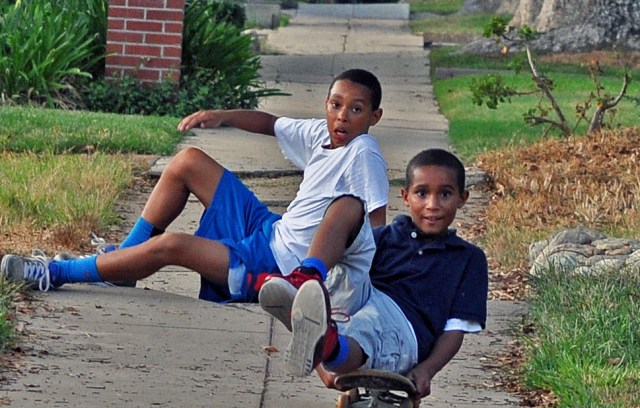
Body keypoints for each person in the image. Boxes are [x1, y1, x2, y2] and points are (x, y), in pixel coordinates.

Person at [0, 69, 389, 307]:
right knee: (188, 162)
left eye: (356, 109)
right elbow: (270, 123)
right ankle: (124, 262)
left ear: (375, 116)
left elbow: (375, 226)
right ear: (326, 104)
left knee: (173, 245)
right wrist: (221, 116)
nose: (342, 116)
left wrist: (362, 291)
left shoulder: (363, 152)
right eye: (335, 105)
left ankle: (56, 272)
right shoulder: (321, 133)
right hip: (269, 229)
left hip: (275, 265)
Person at [260, 148, 488, 400]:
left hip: (404, 328)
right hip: (362, 298)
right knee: (350, 204)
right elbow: (354, 280)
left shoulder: (468, 258)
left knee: (366, 326)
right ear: (405, 196)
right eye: (422, 193)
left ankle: (329, 348)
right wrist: (320, 366)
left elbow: (455, 331)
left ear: (462, 198)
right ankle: (307, 277)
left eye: (444, 194)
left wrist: (427, 369)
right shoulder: (385, 237)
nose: (432, 205)